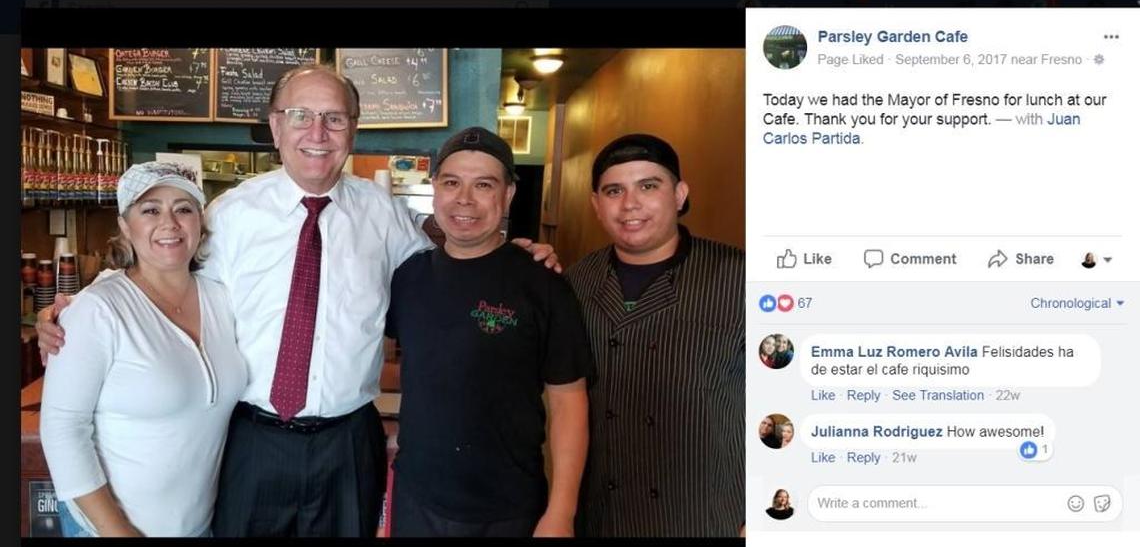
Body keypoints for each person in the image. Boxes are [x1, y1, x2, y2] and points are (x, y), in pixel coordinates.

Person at [36, 64, 558, 537]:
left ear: (353, 128)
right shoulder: (230, 213)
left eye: (333, 118)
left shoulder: (382, 213)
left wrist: (514, 255)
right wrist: (80, 307)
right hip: (253, 439)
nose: (317, 133)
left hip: (349, 443)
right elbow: (163, 267)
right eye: (301, 115)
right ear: (276, 125)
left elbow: (452, 253)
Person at [386, 127, 594, 537]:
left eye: (483, 184)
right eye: (451, 183)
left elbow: (568, 403)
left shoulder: (544, 284)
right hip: (417, 499)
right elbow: (408, 367)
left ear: (509, 194)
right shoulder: (409, 276)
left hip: (507, 507)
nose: (464, 199)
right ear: (435, 190)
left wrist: (561, 513)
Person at [39, 162, 247, 537]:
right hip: (108, 532)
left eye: (183, 209)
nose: (169, 223)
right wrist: (119, 533)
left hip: (200, 528)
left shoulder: (221, 299)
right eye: (150, 210)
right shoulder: (97, 309)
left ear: (199, 223)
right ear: (124, 226)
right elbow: (62, 430)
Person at [565, 133, 744, 536]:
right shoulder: (576, 283)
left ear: (679, 194)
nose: (630, 204)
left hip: (709, 516)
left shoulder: (743, 279)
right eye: (614, 191)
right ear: (596, 205)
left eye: (648, 186)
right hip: (603, 516)